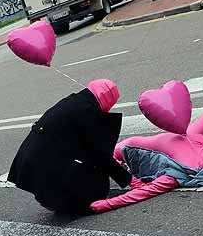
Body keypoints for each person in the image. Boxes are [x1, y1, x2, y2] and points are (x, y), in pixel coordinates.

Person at [7, 79, 132, 216]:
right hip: (44, 169)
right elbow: (98, 155)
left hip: (32, 166)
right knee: (98, 186)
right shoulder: (86, 112)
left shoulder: (74, 102)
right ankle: (64, 201)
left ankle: (51, 198)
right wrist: (128, 179)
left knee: (89, 168)